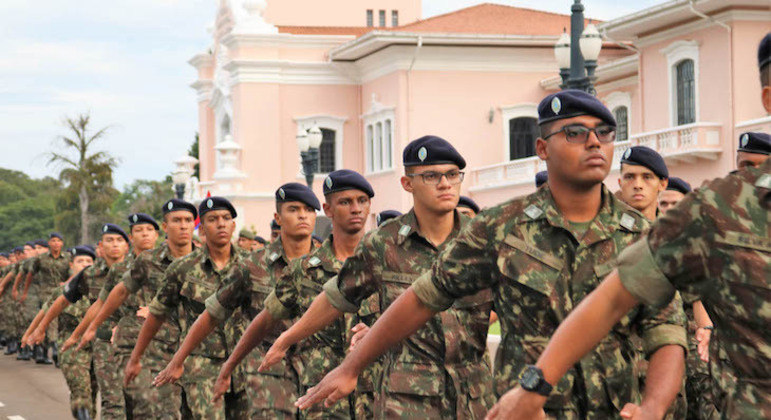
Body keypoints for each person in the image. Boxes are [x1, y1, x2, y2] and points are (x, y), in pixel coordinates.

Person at [296, 91, 688, 420]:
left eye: (603, 132)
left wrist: (653, 407)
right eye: (575, 133)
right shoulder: (502, 227)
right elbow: (423, 296)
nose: (594, 143)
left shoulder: (643, 235)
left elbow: (666, 332)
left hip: (616, 409)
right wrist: (351, 368)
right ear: (541, 148)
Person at [266, 136, 496, 418]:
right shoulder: (383, 244)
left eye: (452, 175)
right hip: (408, 400)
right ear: (407, 183)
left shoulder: (485, 239)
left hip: (475, 396)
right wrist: (288, 337)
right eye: (431, 176)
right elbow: (337, 296)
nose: (445, 183)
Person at [210, 170, 374, 420]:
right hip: (319, 390)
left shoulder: (384, 261)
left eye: (362, 201)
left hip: (376, 387)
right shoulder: (302, 269)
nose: (356, 209)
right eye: (345, 202)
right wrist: (228, 368)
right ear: (328, 210)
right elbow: (260, 319)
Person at [153, 185, 319, 418]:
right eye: (294, 209)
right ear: (278, 218)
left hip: (320, 366)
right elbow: (210, 315)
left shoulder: (331, 265)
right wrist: (177, 361)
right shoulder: (252, 266)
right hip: (264, 369)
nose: (302, 215)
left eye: (309, 209)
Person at [144, 197, 250, 419]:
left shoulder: (253, 266)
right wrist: (137, 357)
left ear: (233, 225)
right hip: (201, 365)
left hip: (245, 364)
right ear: (201, 229)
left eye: (226, 218)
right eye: (213, 219)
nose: (221, 224)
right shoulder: (182, 268)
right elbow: (157, 313)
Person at [31, 224, 130, 419]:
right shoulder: (88, 276)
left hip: (122, 343)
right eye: (109, 240)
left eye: (119, 241)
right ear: (101, 246)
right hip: (86, 343)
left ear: (127, 245)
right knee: (87, 394)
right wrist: (38, 331)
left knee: (121, 399)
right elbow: (56, 305)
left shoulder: (137, 270)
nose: (114, 245)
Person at [23, 245, 98, 419]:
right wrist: (30, 334)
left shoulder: (100, 290)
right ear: (71, 265)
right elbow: (43, 313)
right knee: (81, 391)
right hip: (71, 348)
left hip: (97, 346)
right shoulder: (62, 291)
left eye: (89, 261)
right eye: (80, 261)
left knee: (93, 393)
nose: (85, 264)